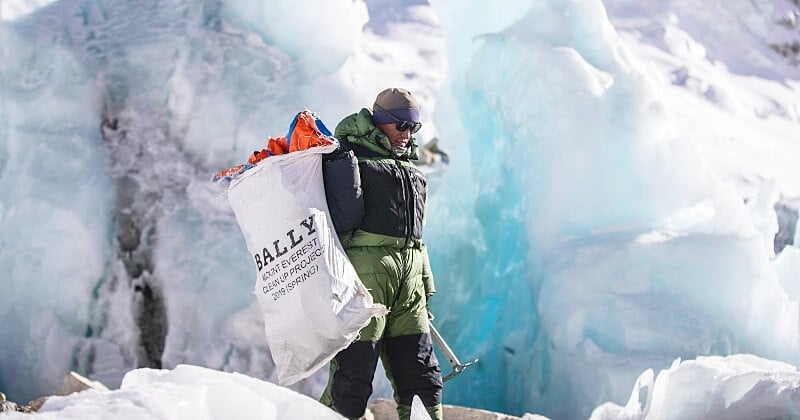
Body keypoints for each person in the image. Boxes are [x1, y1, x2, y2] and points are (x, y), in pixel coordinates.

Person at [319, 88, 443, 420]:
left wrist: (424, 285)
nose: (407, 134)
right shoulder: (349, 159)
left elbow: (417, 238)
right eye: (401, 125)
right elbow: (337, 222)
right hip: (366, 283)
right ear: (380, 122)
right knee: (353, 377)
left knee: (423, 379)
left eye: (413, 127)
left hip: (409, 287)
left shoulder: (413, 172)